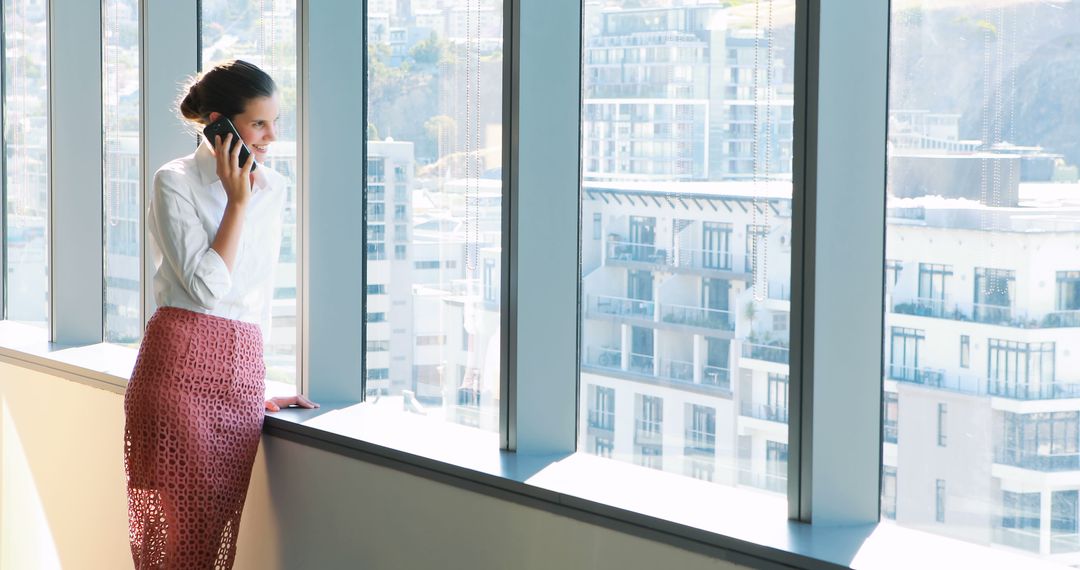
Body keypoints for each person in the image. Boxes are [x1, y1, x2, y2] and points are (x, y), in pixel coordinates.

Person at [123, 59, 317, 569]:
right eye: (258, 123)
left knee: (210, 544)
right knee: (176, 546)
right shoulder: (176, 181)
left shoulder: (273, 190)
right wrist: (236, 202)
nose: (272, 136)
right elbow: (208, 290)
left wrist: (255, 380)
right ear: (218, 122)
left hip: (239, 379)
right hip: (177, 376)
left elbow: (256, 297)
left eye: (275, 122)